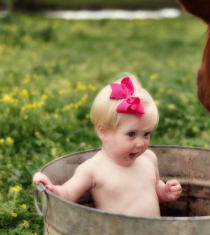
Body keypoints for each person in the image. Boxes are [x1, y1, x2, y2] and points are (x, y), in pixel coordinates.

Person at [33, 74, 182, 217]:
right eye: (131, 134)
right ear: (103, 132)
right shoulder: (93, 169)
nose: (141, 143)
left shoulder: (149, 158)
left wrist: (164, 192)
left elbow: (154, 188)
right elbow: (67, 194)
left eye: (146, 134)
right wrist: (50, 188)